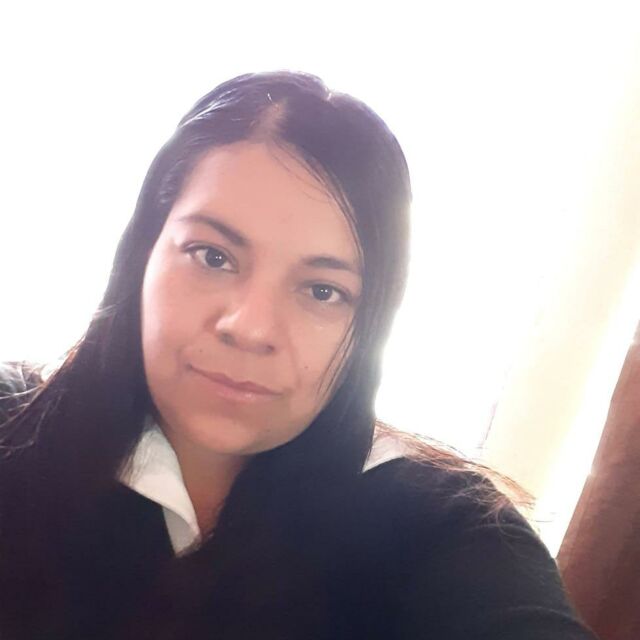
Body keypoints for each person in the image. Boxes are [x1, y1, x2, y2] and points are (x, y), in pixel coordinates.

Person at [0, 71, 598, 639]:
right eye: (213, 256)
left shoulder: (444, 531)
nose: (250, 328)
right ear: (143, 252)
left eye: (322, 291)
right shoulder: (15, 425)